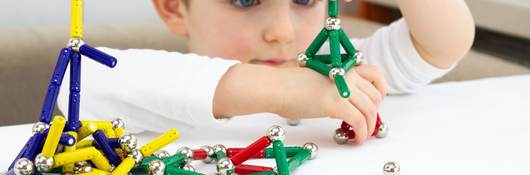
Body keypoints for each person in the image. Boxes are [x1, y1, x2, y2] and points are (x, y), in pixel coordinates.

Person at [58, 0, 475, 144]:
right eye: (245, 0)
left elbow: (441, 43)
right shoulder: (160, 84)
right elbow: (83, 80)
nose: (283, 31)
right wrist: (277, 88)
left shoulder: (339, 74)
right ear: (173, 8)